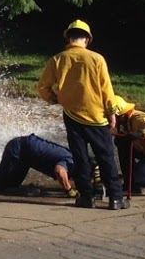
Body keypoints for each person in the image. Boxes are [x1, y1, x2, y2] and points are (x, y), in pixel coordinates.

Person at [36, 18, 128, 210]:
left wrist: (54, 98)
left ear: (69, 39)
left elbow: (43, 87)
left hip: (72, 116)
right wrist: (111, 112)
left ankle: (86, 198)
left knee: (80, 158)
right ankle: (116, 199)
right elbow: (106, 90)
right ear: (86, 39)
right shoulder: (97, 59)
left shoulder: (58, 59)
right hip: (97, 117)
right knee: (106, 158)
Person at [0, 134, 76, 196]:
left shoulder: (75, 158)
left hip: (24, 152)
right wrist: (69, 190)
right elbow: (60, 170)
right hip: (18, 149)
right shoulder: (72, 161)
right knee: (3, 184)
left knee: (11, 183)